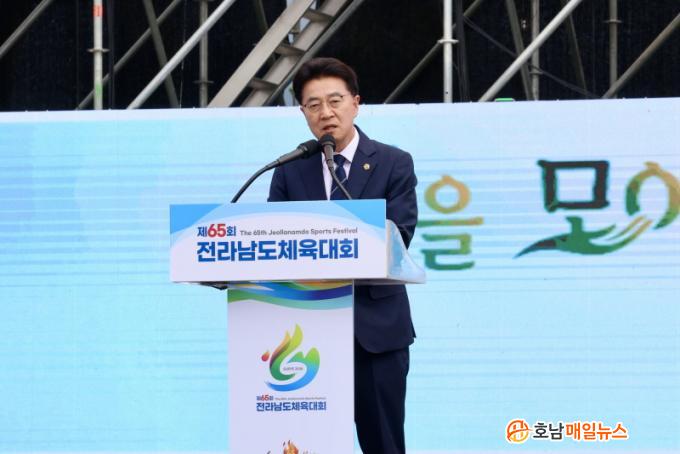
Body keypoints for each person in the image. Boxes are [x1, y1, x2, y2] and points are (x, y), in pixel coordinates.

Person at [267, 57, 417, 454]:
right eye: (313, 104)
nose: (325, 113)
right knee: (305, 444)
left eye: (335, 101)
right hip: (305, 340)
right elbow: (273, 243)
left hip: (376, 335)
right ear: (303, 112)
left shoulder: (393, 163)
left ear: (355, 103)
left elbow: (399, 235)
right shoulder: (289, 171)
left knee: (383, 444)